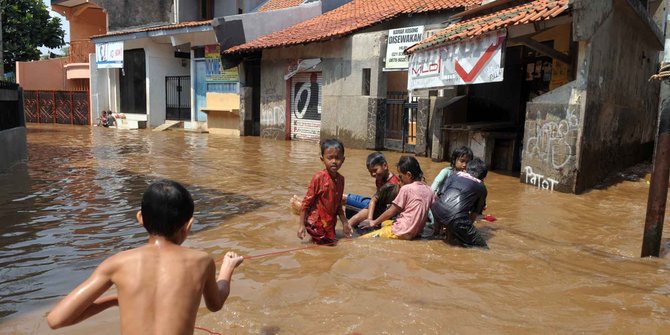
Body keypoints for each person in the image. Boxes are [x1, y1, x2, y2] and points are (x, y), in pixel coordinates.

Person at [46, 180, 244, 334]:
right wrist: (227, 269)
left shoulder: (117, 263)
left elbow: (56, 320)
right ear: (188, 226)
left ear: (140, 218)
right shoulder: (202, 261)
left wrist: (114, 300)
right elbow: (215, 304)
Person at [359, 156, 434, 240]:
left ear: (408, 175)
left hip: (400, 231)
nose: (399, 180)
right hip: (414, 232)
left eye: (401, 177)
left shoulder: (406, 189)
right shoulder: (429, 190)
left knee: (363, 239)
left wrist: (373, 222)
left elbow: (391, 211)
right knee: (384, 223)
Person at [295, 139, 352, 244]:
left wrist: (345, 223)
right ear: (322, 159)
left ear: (343, 160)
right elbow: (306, 203)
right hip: (316, 222)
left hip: (330, 223)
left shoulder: (341, 180)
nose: (334, 161)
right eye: (330, 158)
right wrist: (301, 225)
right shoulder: (318, 178)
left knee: (331, 242)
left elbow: (339, 205)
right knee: (327, 247)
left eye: (338, 158)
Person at [431, 157, 489, 248]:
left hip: (436, 209)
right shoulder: (481, 187)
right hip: (456, 218)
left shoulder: (454, 175)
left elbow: (440, 195)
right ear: (483, 177)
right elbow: (474, 215)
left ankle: (438, 234)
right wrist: (465, 230)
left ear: (467, 169)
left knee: (451, 233)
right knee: (482, 246)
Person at [346, 151, 400, 230]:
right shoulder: (379, 178)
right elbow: (374, 199)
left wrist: (370, 219)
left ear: (385, 166)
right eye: (370, 172)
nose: (373, 174)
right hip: (375, 202)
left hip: (383, 208)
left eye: (375, 170)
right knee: (343, 198)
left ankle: (344, 237)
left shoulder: (394, 184)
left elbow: (393, 207)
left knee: (354, 219)